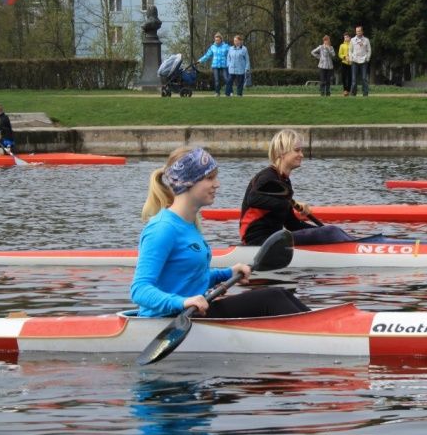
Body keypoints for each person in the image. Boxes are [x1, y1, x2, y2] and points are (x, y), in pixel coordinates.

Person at [131, 146, 309, 319]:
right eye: (209, 178)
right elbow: (140, 289)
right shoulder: (162, 228)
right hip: (171, 317)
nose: (217, 184)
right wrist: (182, 302)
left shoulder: (189, 225)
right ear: (188, 183)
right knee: (271, 298)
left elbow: (192, 278)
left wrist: (228, 273)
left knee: (281, 293)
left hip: (192, 312)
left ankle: (322, 325)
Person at [240, 129, 354, 246]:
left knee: (330, 230)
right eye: (297, 150)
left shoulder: (284, 182)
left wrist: (320, 232)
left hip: (272, 238)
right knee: (330, 231)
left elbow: (292, 224)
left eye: (301, 150)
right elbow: (253, 199)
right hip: (256, 241)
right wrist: (289, 203)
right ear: (282, 152)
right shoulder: (268, 177)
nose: (302, 155)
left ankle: (354, 244)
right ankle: (356, 246)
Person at [198, 33, 231, 97]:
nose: (217, 41)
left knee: (226, 79)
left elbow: (232, 52)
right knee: (217, 80)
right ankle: (217, 93)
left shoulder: (226, 46)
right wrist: (200, 60)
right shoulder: (212, 47)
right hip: (215, 66)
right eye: (216, 40)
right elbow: (207, 55)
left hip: (224, 65)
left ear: (221, 40)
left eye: (218, 40)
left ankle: (228, 93)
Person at [348, 25, 372, 96]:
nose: (358, 32)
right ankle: (353, 94)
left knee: (364, 78)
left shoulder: (366, 40)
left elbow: (369, 50)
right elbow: (350, 50)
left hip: (363, 61)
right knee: (354, 79)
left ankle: (365, 93)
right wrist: (351, 58)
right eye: (356, 31)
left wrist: (367, 58)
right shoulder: (352, 40)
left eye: (359, 31)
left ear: (362, 31)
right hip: (355, 61)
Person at [338, 32, 352, 96]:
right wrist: (344, 57)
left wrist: (351, 58)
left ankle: (348, 90)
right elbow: (339, 54)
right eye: (344, 37)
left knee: (350, 77)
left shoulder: (352, 45)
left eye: (347, 37)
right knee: (344, 77)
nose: (345, 38)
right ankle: (345, 90)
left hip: (351, 63)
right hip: (344, 63)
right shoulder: (342, 45)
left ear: (349, 37)